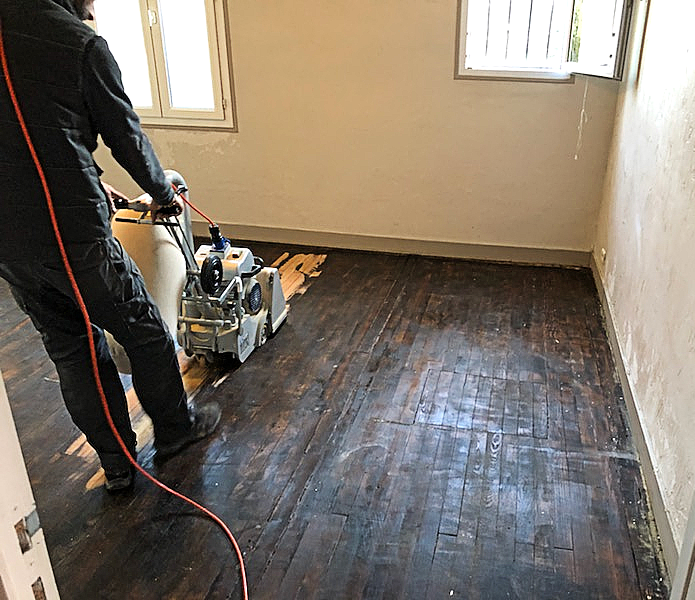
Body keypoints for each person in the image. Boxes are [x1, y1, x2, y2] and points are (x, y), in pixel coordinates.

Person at [0, 0, 220, 492]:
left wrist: (89, 180)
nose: (94, 8)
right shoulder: (79, 44)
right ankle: (175, 432)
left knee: (72, 351)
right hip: (73, 238)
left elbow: (31, 137)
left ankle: (118, 465)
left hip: (11, 248)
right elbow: (127, 138)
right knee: (143, 328)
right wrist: (164, 194)